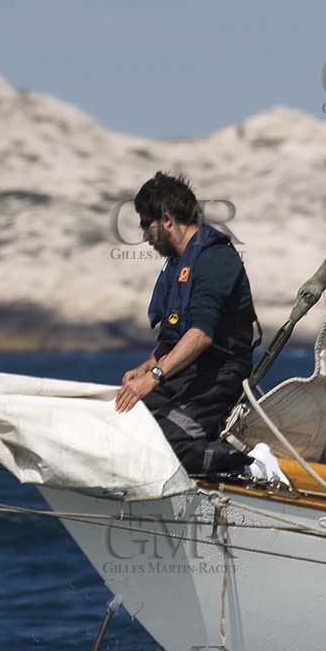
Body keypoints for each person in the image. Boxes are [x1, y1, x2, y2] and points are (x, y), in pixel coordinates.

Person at [115, 171, 258, 475]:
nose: (144, 236)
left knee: (166, 442)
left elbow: (201, 335)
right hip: (185, 371)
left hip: (219, 376)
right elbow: (173, 339)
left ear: (166, 219)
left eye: (146, 224)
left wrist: (152, 377)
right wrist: (144, 368)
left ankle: (252, 466)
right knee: (125, 423)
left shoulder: (216, 259)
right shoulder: (177, 266)